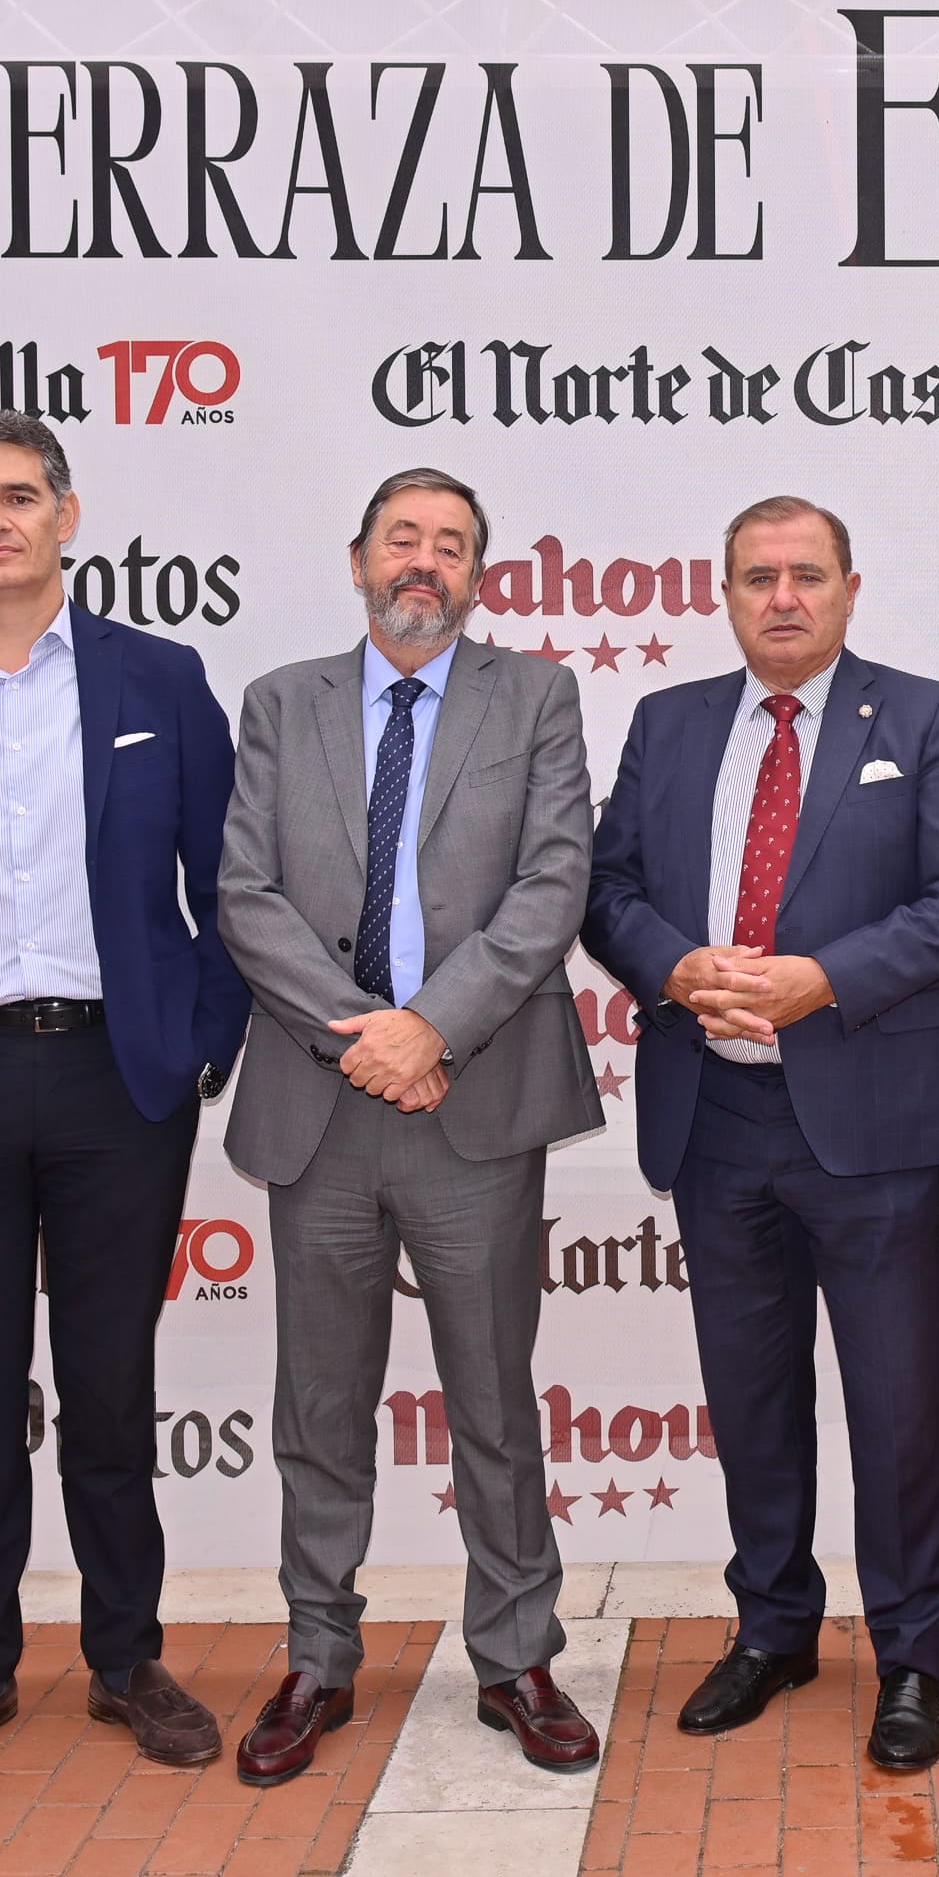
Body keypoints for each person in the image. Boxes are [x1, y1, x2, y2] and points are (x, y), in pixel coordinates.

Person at [0, 412, 252, 1790]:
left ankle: (128, 1658)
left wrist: (198, 1047)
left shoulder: (160, 678)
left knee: (111, 1385)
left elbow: (228, 888)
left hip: (111, 1078)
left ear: (70, 514)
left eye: (21, 495)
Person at [581, 496, 939, 1772]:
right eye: (757, 576)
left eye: (804, 575)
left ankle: (913, 1652)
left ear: (848, 589)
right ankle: (772, 1627)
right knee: (751, 1398)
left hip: (865, 1123)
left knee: (891, 1406)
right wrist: (672, 962)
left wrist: (822, 975)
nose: (781, 596)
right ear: (723, 593)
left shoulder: (920, 714)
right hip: (714, 1116)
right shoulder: (668, 723)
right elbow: (606, 891)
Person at [218, 467, 607, 1780]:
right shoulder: (281, 704)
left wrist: (430, 1027)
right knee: (321, 1404)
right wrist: (363, 1034)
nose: (423, 563)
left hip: (473, 1102)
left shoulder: (536, 696)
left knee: (495, 1399)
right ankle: (319, 1658)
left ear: (477, 573)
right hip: (321, 1105)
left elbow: (556, 879)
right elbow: (248, 893)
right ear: (358, 559)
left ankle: (517, 1655)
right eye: (403, 540)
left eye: (450, 545)